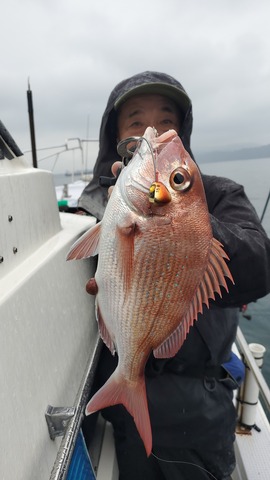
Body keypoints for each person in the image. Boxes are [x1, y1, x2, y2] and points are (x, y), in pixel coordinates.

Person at [79, 71, 270, 480]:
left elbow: (260, 268)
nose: (154, 129)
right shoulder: (95, 205)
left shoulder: (218, 194)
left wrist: (188, 223)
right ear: (115, 137)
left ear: (183, 131)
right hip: (124, 415)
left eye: (167, 121)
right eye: (136, 121)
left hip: (199, 416)